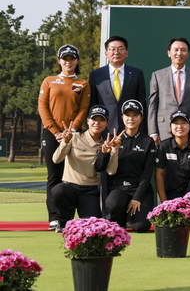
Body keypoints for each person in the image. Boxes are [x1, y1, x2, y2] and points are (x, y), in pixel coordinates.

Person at [38, 44, 91, 230]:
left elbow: (84, 109)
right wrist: (55, 132)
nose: (68, 62)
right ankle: (54, 217)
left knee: (71, 176)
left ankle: (67, 217)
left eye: (72, 59)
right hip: (51, 134)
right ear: (59, 61)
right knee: (54, 174)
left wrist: (72, 131)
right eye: (65, 59)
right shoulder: (49, 81)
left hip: (74, 135)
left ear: (77, 61)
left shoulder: (83, 83)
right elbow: (43, 108)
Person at [51, 105, 121, 232]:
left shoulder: (106, 143)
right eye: (94, 119)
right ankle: (63, 221)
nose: (97, 123)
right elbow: (56, 159)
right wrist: (65, 142)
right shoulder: (74, 137)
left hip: (90, 191)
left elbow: (111, 171)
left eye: (101, 120)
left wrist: (114, 150)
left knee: (93, 228)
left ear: (107, 123)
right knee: (58, 190)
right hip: (69, 188)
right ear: (88, 120)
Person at [102, 100, 157, 233]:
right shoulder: (115, 139)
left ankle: (131, 219)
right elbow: (108, 169)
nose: (131, 119)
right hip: (119, 188)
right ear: (122, 117)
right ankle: (121, 218)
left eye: (135, 115)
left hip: (140, 189)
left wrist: (137, 197)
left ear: (141, 118)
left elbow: (147, 172)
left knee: (141, 227)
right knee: (112, 204)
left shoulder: (147, 141)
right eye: (127, 115)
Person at [148, 38, 190, 146]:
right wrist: (153, 132)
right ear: (169, 53)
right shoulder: (157, 75)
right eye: (175, 50)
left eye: (183, 50)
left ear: (188, 54)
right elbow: (152, 106)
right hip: (164, 130)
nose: (179, 53)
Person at [88, 36, 147, 135]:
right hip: (104, 130)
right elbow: (92, 103)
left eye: (120, 49)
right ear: (106, 53)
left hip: (130, 130)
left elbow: (141, 103)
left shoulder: (136, 73)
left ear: (126, 53)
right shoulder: (96, 75)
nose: (116, 52)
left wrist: (143, 130)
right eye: (112, 49)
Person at [154, 111, 190, 202]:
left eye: (184, 123)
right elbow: (159, 174)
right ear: (170, 126)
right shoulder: (164, 146)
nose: (180, 126)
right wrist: (164, 203)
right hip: (172, 193)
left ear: (189, 126)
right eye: (176, 123)